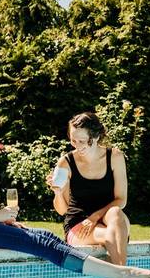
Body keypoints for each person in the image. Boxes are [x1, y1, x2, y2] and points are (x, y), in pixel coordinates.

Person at [0, 101, 150, 278]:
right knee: (39, 243)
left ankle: (115, 270)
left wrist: (2, 220)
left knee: (45, 236)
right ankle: (119, 273)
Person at [49, 112, 132, 265]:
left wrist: (94, 217)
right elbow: (62, 210)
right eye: (73, 140)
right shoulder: (65, 162)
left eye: (82, 141)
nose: (77, 146)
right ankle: (123, 275)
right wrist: (58, 193)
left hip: (110, 219)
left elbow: (121, 200)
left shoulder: (115, 157)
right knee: (113, 235)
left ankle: (121, 276)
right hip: (80, 224)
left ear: (95, 137)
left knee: (115, 213)